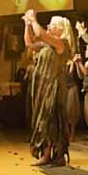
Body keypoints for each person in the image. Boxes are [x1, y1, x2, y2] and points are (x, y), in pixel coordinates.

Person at [24, 10, 74, 166]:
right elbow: (29, 43)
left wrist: (33, 19)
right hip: (44, 87)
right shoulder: (47, 44)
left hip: (54, 87)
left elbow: (39, 32)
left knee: (52, 121)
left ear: (60, 29)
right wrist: (27, 24)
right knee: (44, 121)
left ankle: (58, 156)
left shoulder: (61, 43)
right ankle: (46, 155)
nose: (48, 27)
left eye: (52, 25)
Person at [65, 60, 81, 143]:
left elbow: (70, 74)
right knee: (64, 111)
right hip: (63, 88)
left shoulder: (71, 62)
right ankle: (66, 133)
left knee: (71, 110)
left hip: (71, 87)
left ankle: (72, 133)